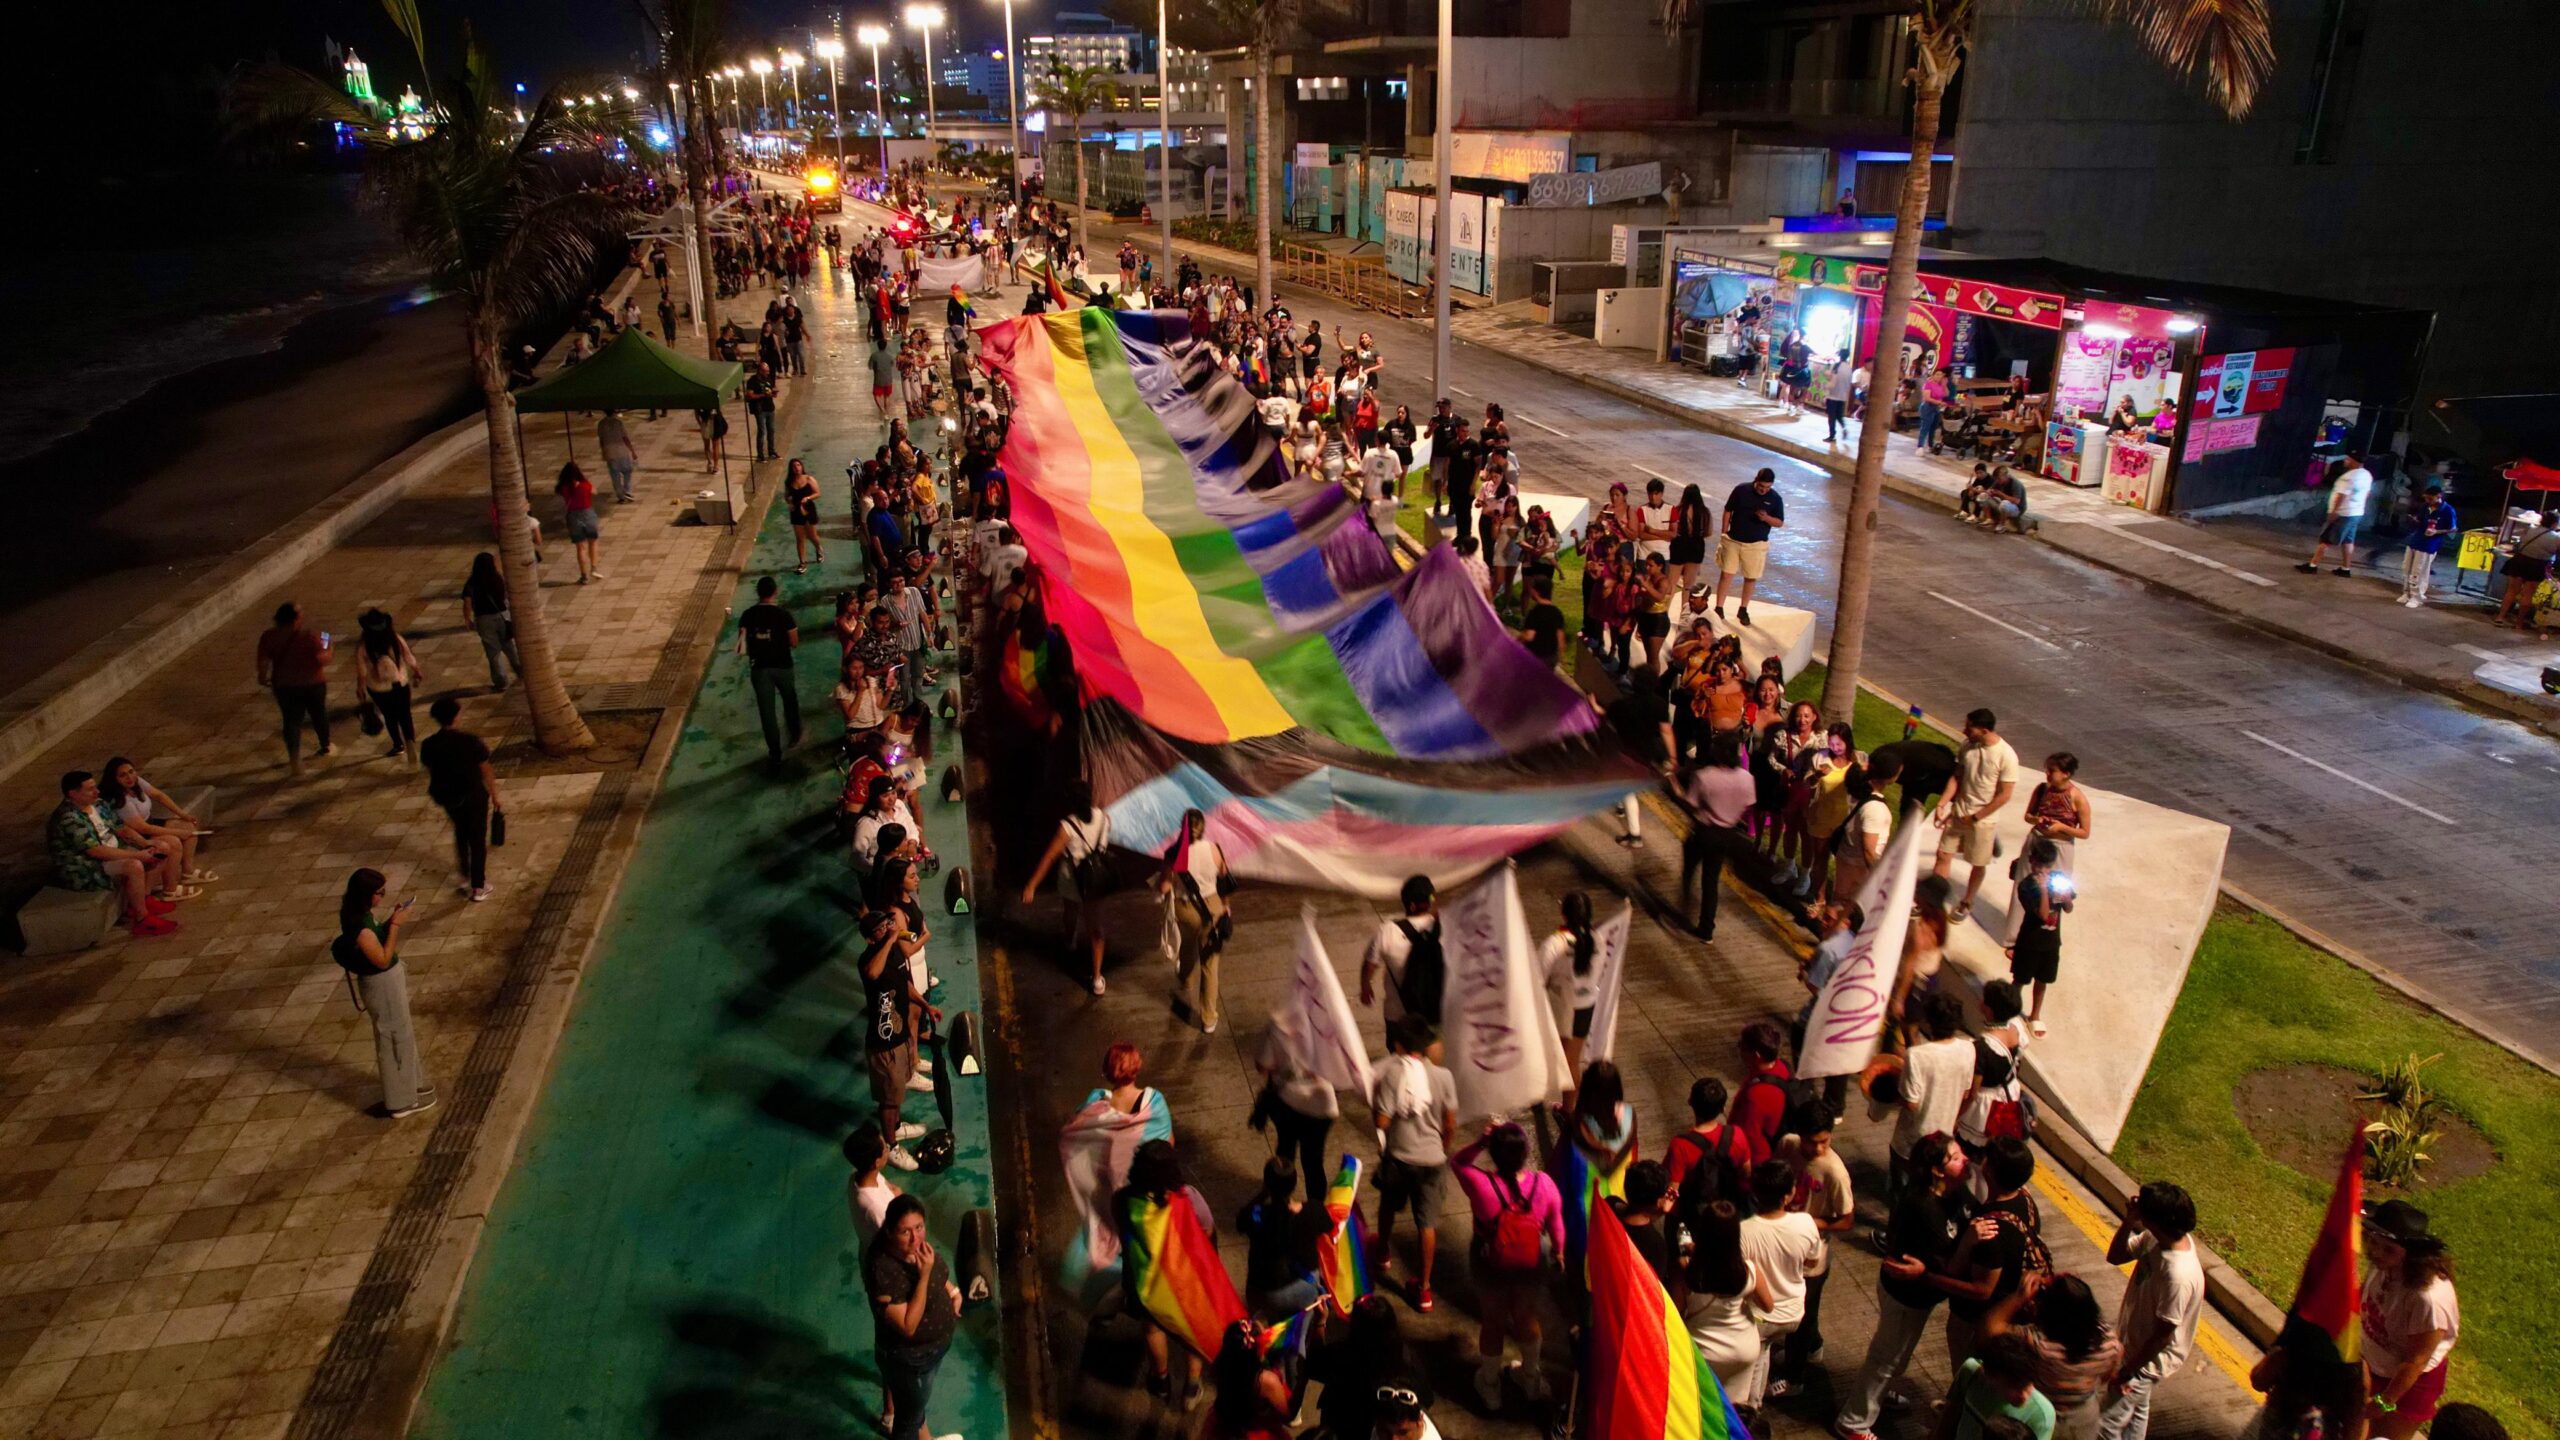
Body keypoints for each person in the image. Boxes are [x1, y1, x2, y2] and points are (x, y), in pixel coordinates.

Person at [1835, 1133, 1969, 1440]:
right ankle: (1853, 1422)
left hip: (1919, 1296)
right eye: (1956, 1157)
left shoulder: (1952, 1192)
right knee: (1885, 1358)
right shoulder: (1922, 1205)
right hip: (1905, 1296)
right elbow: (1950, 1260)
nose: (1965, 1160)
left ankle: (1881, 1396)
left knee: (1898, 1355)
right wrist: (1971, 1240)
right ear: (1936, 1170)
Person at [1449, 1121, 1564, 1412]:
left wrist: (1480, 1142)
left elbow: (1458, 1161)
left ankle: (1490, 1385)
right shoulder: (1544, 1184)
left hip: (1490, 1263)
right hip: (1530, 1262)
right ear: (1526, 1152)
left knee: (1493, 1321)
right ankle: (1530, 1378)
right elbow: (1557, 1225)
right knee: (1526, 1317)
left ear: (1494, 1154)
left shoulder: (1481, 1184)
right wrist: (1560, 1253)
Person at [1115, 1139, 1220, 1409]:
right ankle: (1192, 1386)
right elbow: (1207, 1229)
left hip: (1146, 1280)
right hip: (1183, 1280)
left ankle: (1160, 1381)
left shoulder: (1124, 1200)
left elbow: (1124, 1235)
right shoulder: (1188, 1199)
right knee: (1189, 1329)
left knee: (1153, 1328)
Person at [2097, 1181, 2206, 1440]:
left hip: (2144, 1361)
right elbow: (2115, 1256)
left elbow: (2162, 1336)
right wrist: (2129, 1221)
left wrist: (2126, 1372)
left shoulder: (2178, 1275)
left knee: (2106, 1426)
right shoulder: (2157, 1239)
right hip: (2132, 1346)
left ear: (2155, 1220)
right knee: (2136, 1416)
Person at [1370, 1016, 1457, 1313]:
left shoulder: (1394, 1075)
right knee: (1426, 1223)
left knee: (1387, 1206)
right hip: (1432, 1161)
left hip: (1399, 1158)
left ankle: (1382, 1252)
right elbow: (1449, 1123)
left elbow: (1382, 1121)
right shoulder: (1444, 1077)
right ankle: (1424, 1289)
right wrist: (1442, 1149)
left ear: (1398, 1045)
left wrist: (1375, 1101)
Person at [333, 868, 435, 1117]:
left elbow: (378, 939)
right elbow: (381, 958)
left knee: (403, 1032)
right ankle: (401, 1101)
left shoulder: (360, 914)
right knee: (393, 1039)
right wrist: (396, 926)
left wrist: (391, 920)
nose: (383, 896)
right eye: (379, 893)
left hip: (387, 982)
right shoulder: (360, 926)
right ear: (366, 894)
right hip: (382, 984)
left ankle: (412, 1084)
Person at [2357, 1199, 2459, 1440]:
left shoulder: (2428, 1299)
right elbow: (2363, 1297)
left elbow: (2416, 1360)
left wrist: (2385, 1402)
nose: (2376, 1253)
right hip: (2372, 1363)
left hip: (2408, 1384)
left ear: (2411, 1255)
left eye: (2388, 1249)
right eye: (2373, 1242)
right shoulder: (2383, 1264)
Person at [868, 1194, 965, 1440]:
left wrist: (952, 1290)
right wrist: (924, 1275)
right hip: (913, 1360)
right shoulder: (883, 1270)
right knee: (907, 1423)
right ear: (889, 1232)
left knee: (913, 1408)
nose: (916, 1238)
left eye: (919, 1227)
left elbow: (936, 1274)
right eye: (905, 1232)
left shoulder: (913, 1247)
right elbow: (908, 1326)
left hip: (930, 1352)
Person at [1775, 1109, 1856, 1393]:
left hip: (1813, 1256)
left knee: (1803, 1312)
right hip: (1786, 1244)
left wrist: (1809, 1222)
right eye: (1811, 1142)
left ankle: (1794, 1378)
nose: (1818, 1148)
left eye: (1824, 1141)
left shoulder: (1834, 1171)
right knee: (1806, 1310)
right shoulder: (1788, 1145)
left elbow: (1847, 1220)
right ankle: (1814, 1344)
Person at [1984, 1274, 2122, 1440]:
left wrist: (2018, 1297)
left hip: (2045, 1413)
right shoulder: (2109, 1342)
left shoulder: (2039, 1344)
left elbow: (1991, 1329)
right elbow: (2109, 1373)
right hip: (2084, 1417)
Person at [51, 771, 188, 936]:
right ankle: (141, 919)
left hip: (113, 849)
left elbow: (121, 828)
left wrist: (145, 844)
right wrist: (137, 855)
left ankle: (144, 898)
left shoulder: (99, 804)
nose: (97, 792)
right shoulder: (69, 818)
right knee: (134, 865)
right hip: (86, 866)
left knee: (162, 847)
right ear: (73, 794)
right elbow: (95, 851)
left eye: (95, 787)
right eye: (90, 789)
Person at [1735, 1159, 1822, 1408]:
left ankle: (1751, 1408)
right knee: (1764, 1353)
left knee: (1757, 1359)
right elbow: (1813, 1260)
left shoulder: (1743, 1231)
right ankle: (1755, 1404)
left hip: (1760, 1314)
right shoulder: (1805, 1223)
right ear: (1789, 1194)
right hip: (1794, 1311)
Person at [859, 905, 937, 1173]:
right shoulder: (868, 959)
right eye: (879, 929)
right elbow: (872, 974)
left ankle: (898, 1126)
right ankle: (890, 1146)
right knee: (889, 1100)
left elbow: (904, 986)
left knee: (900, 1089)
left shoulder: (891, 954)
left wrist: (926, 1007)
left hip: (901, 1035)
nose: (887, 930)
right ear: (870, 938)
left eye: (887, 925)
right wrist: (891, 938)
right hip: (884, 1044)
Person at [1020, 780, 1113, 995]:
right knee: (1096, 929)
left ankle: (1070, 940)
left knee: (1070, 910)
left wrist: (1032, 885)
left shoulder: (1067, 826)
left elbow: (1050, 857)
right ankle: (1097, 978)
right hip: (1095, 880)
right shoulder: (1103, 818)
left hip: (1071, 879)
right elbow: (1103, 846)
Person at [1683, 1198, 1775, 1407]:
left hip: (1703, 1349)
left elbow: (1677, 1311)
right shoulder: (1748, 1270)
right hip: (1743, 1350)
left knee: (1704, 1408)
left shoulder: (1688, 1271)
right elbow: (1768, 1305)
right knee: (1736, 1409)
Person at [1305, 1297, 1431, 1440]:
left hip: (1342, 1428)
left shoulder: (1343, 1356)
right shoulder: (1408, 1359)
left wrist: (1320, 1322)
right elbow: (1426, 1399)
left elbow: (1314, 1365)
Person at [1936, 709, 2021, 920]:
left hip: (1983, 820)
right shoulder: (1967, 746)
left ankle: (1967, 901)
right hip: (1959, 813)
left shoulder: (2006, 755)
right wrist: (1942, 803)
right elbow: (1957, 777)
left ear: (1983, 730)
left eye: (1969, 727)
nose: (1965, 730)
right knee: (1943, 854)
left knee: (1977, 862)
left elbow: (2004, 795)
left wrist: (1976, 817)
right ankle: (1934, 899)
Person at [419, 698, 502, 902]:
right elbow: (485, 770)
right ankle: (478, 886)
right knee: (477, 839)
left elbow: (431, 770)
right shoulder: (470, 741)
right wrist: (495, 796)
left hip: (448, 796)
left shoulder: (429, 744)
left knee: (460, 831)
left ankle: (465, 875)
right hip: (473, 794)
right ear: (456, 717)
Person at [1679, 732, 1759, 941]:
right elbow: (1748, 804)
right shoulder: (1747, 778)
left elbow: (1691, 803)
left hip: (1704, 831)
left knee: (1689, 869)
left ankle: (1686, 902)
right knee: (1711, 880)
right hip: (1727, 833)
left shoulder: (1704, 776)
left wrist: (1675, 786)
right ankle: (1707, 929)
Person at [1159, 809, 1232, 1034]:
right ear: (1203, 827)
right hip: (1212, 909)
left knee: (1188, 943)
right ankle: (1208, 1019)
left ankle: (1185, 978)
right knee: (1210, 964)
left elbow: (1164, 887)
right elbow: (1225, 880)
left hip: (1185, 908)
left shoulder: (1173, 853)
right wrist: (1226, 906)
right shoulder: (1214, 849)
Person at [97, 758, 211, 889]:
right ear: (114, 779)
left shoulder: (136, 782)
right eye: (123, 775)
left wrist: (183, 815)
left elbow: (159, 795)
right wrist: (178, 833)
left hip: (149, 821)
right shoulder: (121, 801)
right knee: (173, 842)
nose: (129, 777)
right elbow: (143, 828)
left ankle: (188, 872)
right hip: (137, 833)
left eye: (131, 772)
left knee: (188, 826)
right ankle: (170, 887)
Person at [1236, 1156, 1324, 1319]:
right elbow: (1329, 1229)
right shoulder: (1312, 1210)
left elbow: (1241, 1221)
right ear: (1295, 1184)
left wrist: (1263, 1194)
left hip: (1262, 1293)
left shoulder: (1256, 1216)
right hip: (1300, 1287)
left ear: (1267, 1184)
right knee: (1298, 1334)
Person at [1539, 893, 1604, 1099]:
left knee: (1563, 1062)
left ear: (1563, 913)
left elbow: (1537, 977)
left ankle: (1568, 1114)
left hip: (1561, 1008)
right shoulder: (1598, 939)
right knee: (1572, 1061)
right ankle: (1568, 1110)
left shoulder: (1555, 943)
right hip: (1585, 1006)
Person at [256, 602, 334, 775]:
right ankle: (325, 745)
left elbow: (263, 662)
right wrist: (328, 643)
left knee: (291, 721)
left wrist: (262, 677)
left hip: (285, 686)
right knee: (318, 714)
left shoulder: (269, 637)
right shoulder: (310, 637)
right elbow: (323, 659)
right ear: (295, 619)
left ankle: (294, 757)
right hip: (312, 683)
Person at [2006, 838, 2072, 1033]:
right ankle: (2010, 1012)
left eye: (2047, 865)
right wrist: (2044, 889)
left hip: (2051, 943)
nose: (2042, 869)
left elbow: (2068, 908)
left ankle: (2035, 1015)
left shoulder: (2058, 879)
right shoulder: (2026, 886)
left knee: (2043, 980)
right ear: (2032, 861)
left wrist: (2065, 894)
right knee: (2020, 979)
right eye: (2038, 864)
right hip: (2029, 942)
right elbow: (2043, 915)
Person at [1942, 1332, 2059, 1440]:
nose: (2024, 1395)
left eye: (2027, 1384)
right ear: (1990, 1375)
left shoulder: (2042, 1414)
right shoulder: (1972, 1372)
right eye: (2014, 1386)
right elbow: (1950, 1414)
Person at [737, 575, 802, 768]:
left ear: (758, 593)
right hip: (782, 666)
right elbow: (794, 642)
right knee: (790, 700)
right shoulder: (784, 615)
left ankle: (775, 752)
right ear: (776, 591)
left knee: (767, 712)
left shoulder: (747, 615)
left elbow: (741, 645)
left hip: (759, 668)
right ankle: (795, 734)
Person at [1359, 875, 1441, 1024]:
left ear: (1409, 906)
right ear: (1430, 901)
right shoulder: (1443, 928)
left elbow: (1369, 966)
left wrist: (1366, 988)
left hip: (1399, 1016)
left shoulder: (1388, 931)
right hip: (1438, 1014)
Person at [1715, 468, 1785, 627]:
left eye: (1767, 487)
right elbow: (1728, 510)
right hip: (1734, 540)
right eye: (1761, 486)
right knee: (1726, 574)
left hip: (1756, 544)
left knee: (1751, 577)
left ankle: (1743, 608)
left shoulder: (1775, 499)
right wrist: (1724, 532)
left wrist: (1766, 518)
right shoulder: (1741, 490)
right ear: (1756, 481)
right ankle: (1719, 607)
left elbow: (1779, 523)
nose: (1763, 490)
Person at [353, 609, 425, 765]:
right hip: (400, 682)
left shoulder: (364, 646)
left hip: (378, 688)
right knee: (405, 714)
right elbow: (408, 657)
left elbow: (362, 671)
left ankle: (398, 744)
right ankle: (410, 742)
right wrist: (417, 671)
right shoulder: (395, 639)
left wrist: (360, 688)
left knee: (389, 715)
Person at [1203, 1320, 1295, 1440]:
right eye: (1265, 1335)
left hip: (1228, 1424)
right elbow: (1287, 1416)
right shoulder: (1266, 1380)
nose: (1270, 1335)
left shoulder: (1222, 1364)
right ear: (1256, 1350)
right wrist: (1302, 1382)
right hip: (1256, 1432)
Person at [2298, 453, 2373, 576]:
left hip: (2343, 513)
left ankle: (2312, 565)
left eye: (2349, 459)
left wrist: (2334, 512)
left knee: (2326, 539)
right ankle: (2345, 569)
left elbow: (2341, 495)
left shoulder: (2349, 477)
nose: (2345, 460)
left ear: (2354, 461)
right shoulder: (2367, 475)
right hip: (2356, 512)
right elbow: (2367, 493)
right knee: (2348, 541)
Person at [460, 553, 521, 691]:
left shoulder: (472, 582)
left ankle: (501, 682)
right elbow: (506, 595)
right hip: (502, 616)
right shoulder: (497, 578)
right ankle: (521, 671)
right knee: (509, 646)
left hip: (484, 619)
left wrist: (467, 618)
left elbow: (467, 602)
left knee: (493, 652)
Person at [2399, 483, 2456, 607]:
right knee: (2406, 568)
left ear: (2438, 496)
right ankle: (2406, 592)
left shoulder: (2447, 510)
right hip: (2416, 540)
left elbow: (2453, 529)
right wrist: (2413, 520)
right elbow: (2420, 520)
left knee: (2418, 570)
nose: (2427, 501)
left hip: (2429, 544)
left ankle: (2416, 596)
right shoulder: (2425, 507)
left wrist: (2437, 531)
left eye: (2430, 498)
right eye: (2426, 498)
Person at [845, 1124, 902, 1244]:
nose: (888, 1148)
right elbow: (895, 1238)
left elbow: (891, 1187)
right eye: (886, 1149)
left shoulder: (859, 1174)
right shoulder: (874, 1207)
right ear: (876, 1162)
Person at [556, 461, 603, 583]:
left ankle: (584, 576)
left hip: (573, 517)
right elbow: (595, 491)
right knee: (593, 542)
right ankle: (594, 568)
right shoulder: (585, 485)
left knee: (580, 547)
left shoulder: (563, 488)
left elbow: (562, 492)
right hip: (588, 515)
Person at [786, 459, 825, 572]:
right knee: (800, 538)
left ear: (802, 467)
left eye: (798, 465)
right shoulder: (789, 482)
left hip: (808, 510)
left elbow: (817, 493)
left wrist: (808, 498)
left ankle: (818, 548)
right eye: (794, 466)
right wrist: (789, 502)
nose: (797, 468)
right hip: (796, 511)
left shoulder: (809, 479)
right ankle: (802, 562)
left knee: (812, 535)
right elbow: (787, 496)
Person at [597, 410, 639, 502]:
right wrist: (632, 451)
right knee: (627, 471)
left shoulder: (601, 424)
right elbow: (625, 438)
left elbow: (601, 439)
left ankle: (620, 495)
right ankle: (627, 491)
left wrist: (603, 452)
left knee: (615, 475)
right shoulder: (618, 423)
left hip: (610, 451)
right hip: (622, 450)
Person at [1825, 352, 1857, 443]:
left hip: (1833, 395)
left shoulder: (1836, 366)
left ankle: (1832, 435)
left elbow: (1829, 377)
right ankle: (1844, 428)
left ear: (1840, 356)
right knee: (1839, 416)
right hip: (1842, 396)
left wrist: (1827, 368)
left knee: (1831, 416)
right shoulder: (1849, 368)